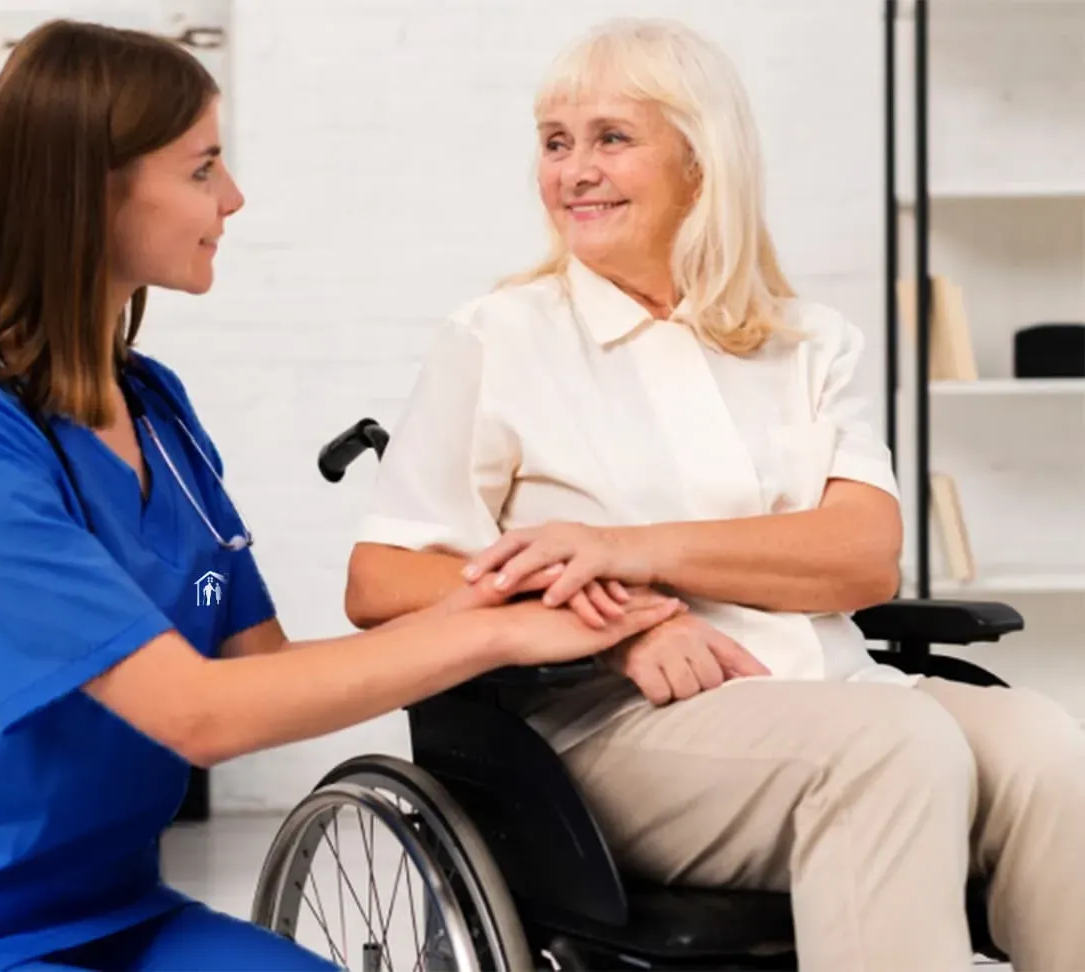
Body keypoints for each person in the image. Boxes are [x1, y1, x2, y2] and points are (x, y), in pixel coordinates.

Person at [0, 20, 681, 972]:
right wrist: (494, 634)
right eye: (201, 169)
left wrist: (479, 600)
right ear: (92, 189)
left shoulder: (156, 410)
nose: (233, 196)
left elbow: (261, 666)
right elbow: (198, 716)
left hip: (115, 911)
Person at [345, 17, 1085, 972]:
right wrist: (621, 625)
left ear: (703, 162)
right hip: (610, 728)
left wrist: (627, 548)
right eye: (555, 141)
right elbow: (381, 578)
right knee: (892, 747)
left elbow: (860, 558)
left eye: (613, 137)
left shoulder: (806, 341)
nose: (574, 169)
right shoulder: (501, 336)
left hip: (836, 687)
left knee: (1046, 749)